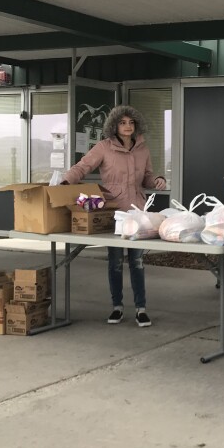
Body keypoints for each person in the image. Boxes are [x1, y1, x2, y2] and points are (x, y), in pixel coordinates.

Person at [62, 105, 166, 328]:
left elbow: (147, 177)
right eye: (123, 123)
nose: (128, 127)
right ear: (114, 126)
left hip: (137, 213)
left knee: (137, 262)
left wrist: (157, 179)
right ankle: (117, 307)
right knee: (116, 262)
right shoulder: (103, 147)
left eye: (131, 122)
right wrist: (65, 181)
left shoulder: (142, 149)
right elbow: (83, 167)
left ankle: (141, 309)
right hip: (113, 212)